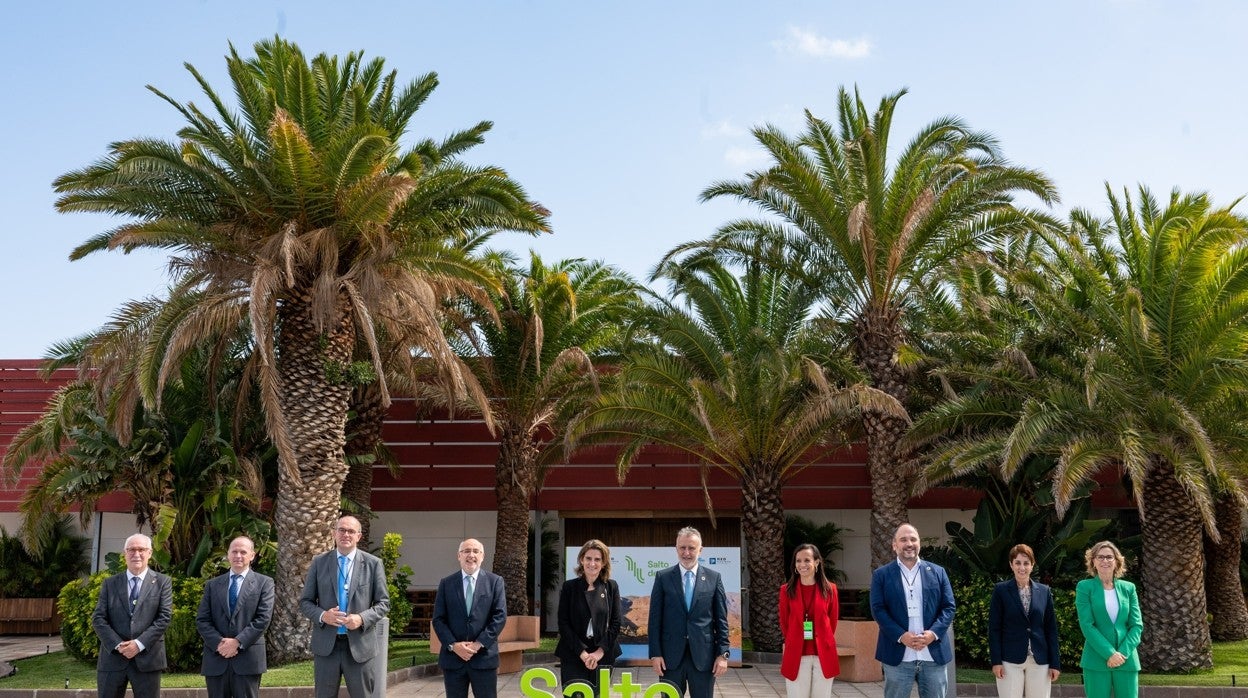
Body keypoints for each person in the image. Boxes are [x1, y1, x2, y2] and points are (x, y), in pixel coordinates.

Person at [298, 515, 391, 698]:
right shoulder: (319, 562)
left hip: (360, 647)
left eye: (350, 531)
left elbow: (383, 603)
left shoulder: (373, 564)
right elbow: (305, 602)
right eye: (341, 530)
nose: (345, 534)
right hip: (327, 647)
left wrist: (361, 618)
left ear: (359, 536)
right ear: (334, 533)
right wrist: (324, 615)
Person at [870, 523, 956, 698]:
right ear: (894, 545)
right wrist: (902, 636)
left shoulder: (938, 572)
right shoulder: (882, 575)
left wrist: (933, 634)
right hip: (898, 657)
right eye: (903, 540)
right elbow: (878, 610)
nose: (909, 543)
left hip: (933, 655)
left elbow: (948, 607)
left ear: (919, 543)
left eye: (913, 539)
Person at [648, 526, 730, 698]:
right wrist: (655, 654)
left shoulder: (714, 578)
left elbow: (721, 620)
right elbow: (655, 620)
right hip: (670, 659)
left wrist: (722, 655)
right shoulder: (663, 577)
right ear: (676, 549)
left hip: (703, 658)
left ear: (700, 550)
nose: (686, 553)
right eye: (682, 548)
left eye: (691, 548)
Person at [92, 533, 174, 698]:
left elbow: (164, 617)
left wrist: (138, 644)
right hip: (113, 659)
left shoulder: (162, 582)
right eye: (131, 550)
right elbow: (99, 618)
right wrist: (118, 645)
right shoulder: (110, 583)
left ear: (150, 553)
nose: (136, 554)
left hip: (147, 660)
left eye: (141, 549)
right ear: (125, 553)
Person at [196, 535, 275, 698]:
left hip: (248, 660)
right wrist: (220, 644)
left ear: (252, 555)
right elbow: (202, 620)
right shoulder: (212, 585)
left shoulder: (264, 583)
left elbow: (263, 619)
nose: (238, 556)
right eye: (234, 551)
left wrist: (237, 642)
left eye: (243, 552)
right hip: (216, 659)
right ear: (228, 554)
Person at [432, 538, 508, 698]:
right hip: (453, 659)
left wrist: (478, 644)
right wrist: (453, 645)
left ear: (482, 556)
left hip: (484, 658)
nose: (471, 555)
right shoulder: (446, 583)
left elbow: (499, 616)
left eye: (475, 551)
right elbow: (438, 619)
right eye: (466, 551)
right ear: (458, 556)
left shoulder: (495, 582)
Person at [988, 543, 1061, 698]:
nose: (1022, 567)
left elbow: (1051, 629)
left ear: (1032, 565)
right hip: (1009, 660)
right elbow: (994, 628)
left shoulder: (1044, 591)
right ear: (1011, 565)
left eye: (1026, 563)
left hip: (1040, 660)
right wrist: (996, 661)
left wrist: (1055, 663)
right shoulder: (1001, 590)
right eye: (1018, 563)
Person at [1075, 541, 1142, 698]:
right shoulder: (1084, 587)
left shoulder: (1129, 588)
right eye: (1100, 557)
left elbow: (1136, 625)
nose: (1105, 560)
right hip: (1096, 660)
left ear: (1117, 561)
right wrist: (1109, 653)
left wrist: (1122, 654)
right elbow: (1087, 625)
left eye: (1109, 557)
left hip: (1126, 660)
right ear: (1093, 561)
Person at [556, 539, 623, 694]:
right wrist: (583, 653)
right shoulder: (569, 587)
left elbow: (616, 622)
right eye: (588, 558)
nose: (592, 563)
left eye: (597, 559)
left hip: (603, 654)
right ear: (581, 559)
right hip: (574, 653)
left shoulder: (611, 587)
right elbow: (563, 623)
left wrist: (599, 652)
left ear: (604, 562)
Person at [779, 543, 840, 698]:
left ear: (817, 562)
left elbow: (832, 621)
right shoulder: (786, 590)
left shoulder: (830, 589)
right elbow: (784, 622)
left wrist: (822, 638)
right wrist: (794, 638)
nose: (802, 565)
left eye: (807, 560)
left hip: (823, 654)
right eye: (798, 561)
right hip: (796, 654)